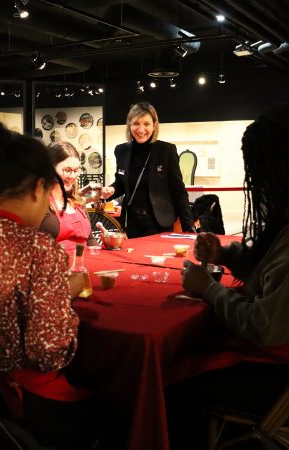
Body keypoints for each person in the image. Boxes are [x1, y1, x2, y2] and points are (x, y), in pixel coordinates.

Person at [0, 115, 96, 450]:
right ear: (40, 187)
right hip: (28, 405)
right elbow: (47, 352)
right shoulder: (39, 249)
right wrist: (60, 302)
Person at [167, 102, 289, 449]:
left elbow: (265, 326)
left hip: (272, 374)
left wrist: (209, 289)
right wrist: (226, 253)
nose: (257, 182)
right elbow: (269, 271)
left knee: (171, 374)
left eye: (259, 170)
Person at [101, 101, 195, 238]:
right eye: (136, 123)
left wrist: (189, 227)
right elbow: (121, 182)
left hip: (159, 222)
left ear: (154, 125)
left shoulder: (166, 150)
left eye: (146, 124)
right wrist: (111, 190)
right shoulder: (121, 150)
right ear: (129, 124)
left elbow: (178, 191)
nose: (140, 129)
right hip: (132, 222)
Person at [40, 141, 98, 252]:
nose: (72, 176)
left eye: (76, 170)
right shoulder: (37, 204)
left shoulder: (77, 202)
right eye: (67, 170)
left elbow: (90, 240)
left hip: (85, 265)